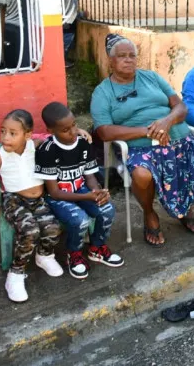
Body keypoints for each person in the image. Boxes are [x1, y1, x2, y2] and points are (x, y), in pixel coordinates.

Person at [91, 34, 194, 247]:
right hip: (142, 147)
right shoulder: (103, 92)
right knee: (141, 174)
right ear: (110, 60)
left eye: (132, 55)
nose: (128, 60)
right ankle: (150, 213)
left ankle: (184, 204)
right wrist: (146, 131)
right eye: (122, 56)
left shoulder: (151, 77)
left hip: (179, 139)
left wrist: (167, 122)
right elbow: (104, 131)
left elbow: (181, 106)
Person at [0, 110, 64, 302]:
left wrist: (78, 131)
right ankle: (16, 273)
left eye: (13, 133)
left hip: (38, 199)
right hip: (14, 199)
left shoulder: (34, 146)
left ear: (27, 135)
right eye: (3, 131)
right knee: (30, 230)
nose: (5, 137)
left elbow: (57, 138)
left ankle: (44, 255)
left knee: (53, 228)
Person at [37, 102, 121, 280]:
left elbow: (90, 176)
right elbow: (54, 192)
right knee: (80, 220)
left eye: (74, 124)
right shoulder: (47, 150)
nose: (73, 131)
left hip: (81, 189)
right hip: (58, 197)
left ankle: (96, 248)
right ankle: (73, 253)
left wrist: (98, 192)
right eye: (65, 130)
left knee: (107, 209)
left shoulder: (82, 143)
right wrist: (86, 195)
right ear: (51, 130)